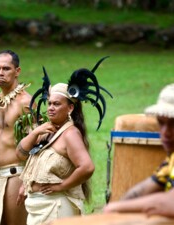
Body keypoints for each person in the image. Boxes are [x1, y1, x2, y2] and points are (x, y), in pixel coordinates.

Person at [16, 57, 112, 225]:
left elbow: (87, 167)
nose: (51, 107)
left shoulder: (70, 134)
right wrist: (35, 133)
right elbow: (20, 154)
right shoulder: (45, 130)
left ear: (70, 107)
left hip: (57, 206)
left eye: (57, 104)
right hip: (38, 207)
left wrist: (62, 186)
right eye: (49, 103)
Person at [0, 50, 32, 225]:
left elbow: (37, 146)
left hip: (16, 174)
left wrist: (28, 181)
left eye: (6, 68)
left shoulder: (26, 102)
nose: (0, 73)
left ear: (17, 71)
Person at [103, 83, 174, 216]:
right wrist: (117, 207)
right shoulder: (171, 161)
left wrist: (115, 208)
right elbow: (144, 189)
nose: (166, 133)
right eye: (162, 123)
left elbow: (169, 202)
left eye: (173, 124)